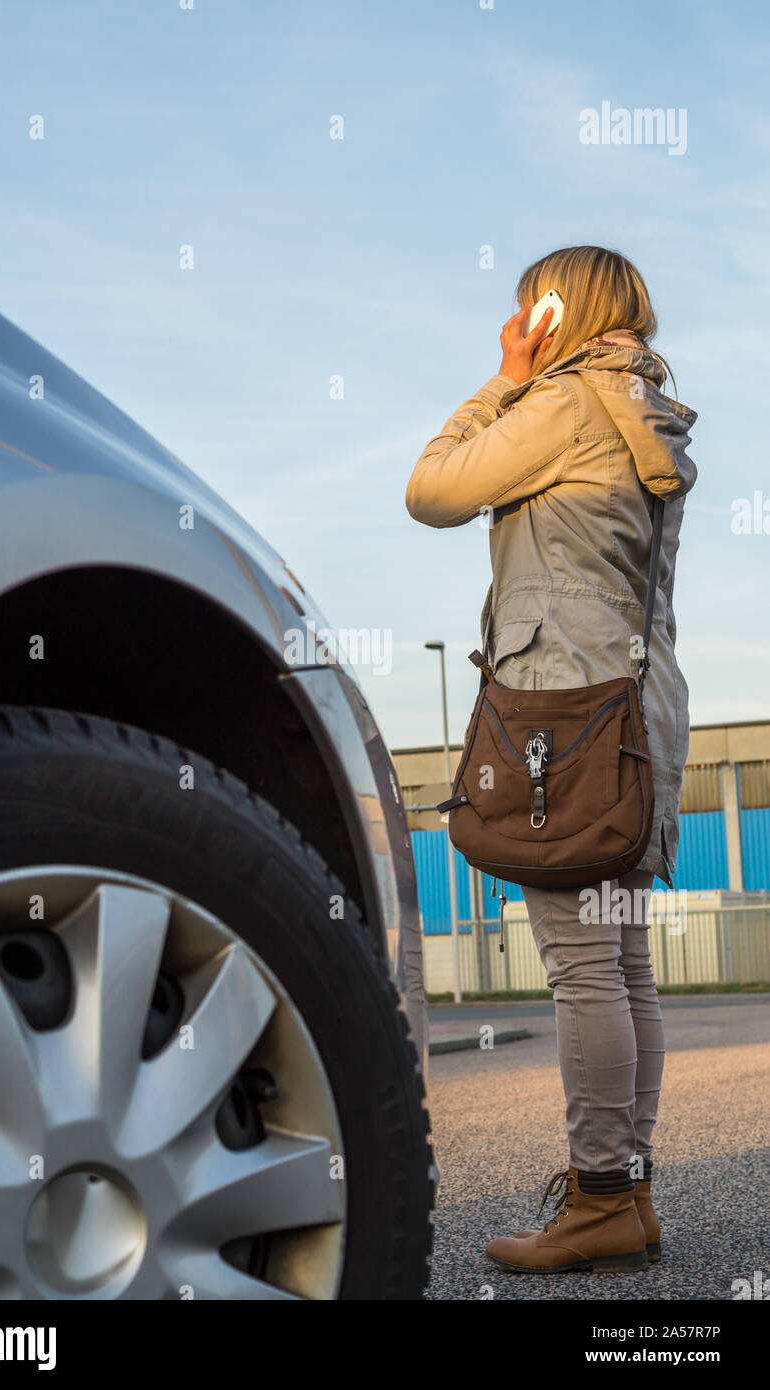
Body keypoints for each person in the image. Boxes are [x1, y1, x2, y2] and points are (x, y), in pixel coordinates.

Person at [404, 245, 698, 1273]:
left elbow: (430, 489)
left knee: (585, 966)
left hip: (565, 720)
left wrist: (505, 376)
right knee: (620, 964)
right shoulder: (640, 408)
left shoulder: (567, 406)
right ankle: (627, 1193)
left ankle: (600, 1200)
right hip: (635, 711)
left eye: (526, 306)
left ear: (555, 309)